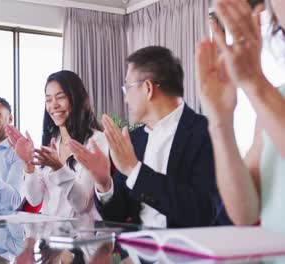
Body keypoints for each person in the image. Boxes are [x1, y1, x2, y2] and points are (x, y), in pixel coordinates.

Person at [69, 46, 231, 227]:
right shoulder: (134, 139)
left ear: (147, 88)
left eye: (127, 88)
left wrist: (134, 170)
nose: (126, 99)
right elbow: (116, 217)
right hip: (136, 251)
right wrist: (104, 183)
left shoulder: (206, 132)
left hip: (185, 250)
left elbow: (204, 211)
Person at [196, 0, 285, 232]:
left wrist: (256, 83)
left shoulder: (267, 96)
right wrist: (220, 123)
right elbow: (245, 213)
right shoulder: (277, 96)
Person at [6, 70, 108, 220]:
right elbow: (35, 199)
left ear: (76, 99)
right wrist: (28, 163)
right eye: (48, 100)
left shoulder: (97, 141)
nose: (53, 105)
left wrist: (59, 168)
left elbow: (81, 204)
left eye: (60, 97)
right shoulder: (52, 142)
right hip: (49, 237)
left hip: (81, 238)